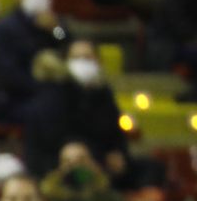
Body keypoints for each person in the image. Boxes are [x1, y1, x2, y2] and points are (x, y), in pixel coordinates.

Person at [22, 41, 135, 188]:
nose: (82, 63)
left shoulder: (104, 94)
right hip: (57, 167)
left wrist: (118, 154)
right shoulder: (54, 94)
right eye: (76, 58)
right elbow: (49, 140)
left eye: (87, 57)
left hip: (100, 167)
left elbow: (115, 135)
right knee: (78, 172)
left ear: (98, 61)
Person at [0, 0, 72, 123]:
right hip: (14, 99)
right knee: (49, 110)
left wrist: (55, 30)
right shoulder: (4, 29)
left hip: (51, 96)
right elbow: (6, 74)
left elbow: (71, 50)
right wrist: (44, 90)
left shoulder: (57, 26)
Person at [40, 143, 133, 201]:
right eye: (68, 162)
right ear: (60, 168)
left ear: (92, 163)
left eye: (81, 160)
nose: (75, 167)